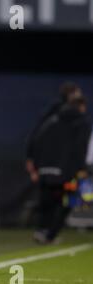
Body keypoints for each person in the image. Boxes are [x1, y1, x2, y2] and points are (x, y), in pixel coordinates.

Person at [30, 96, 92, 244]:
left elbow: (37, 141)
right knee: (67, 202)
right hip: (66, 173)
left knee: (48, 201)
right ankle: (50, 234)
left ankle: (42, 230)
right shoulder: (80, 122)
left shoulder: (52, 120)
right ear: (81, 106)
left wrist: (38, 165)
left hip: (45, 170)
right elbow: (80, 147)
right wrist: (81, 168)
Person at [26, 83, 83, 182]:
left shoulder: (52, 115)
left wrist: (30, 158)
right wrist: (30, 158)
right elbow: (36, 136)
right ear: (70, 96)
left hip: (52, 169)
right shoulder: (58, 116)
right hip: (59, 169)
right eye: (78, 96)